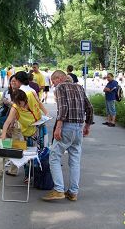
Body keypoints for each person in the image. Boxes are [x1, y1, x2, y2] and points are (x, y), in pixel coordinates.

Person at [42, 70, 93, 202]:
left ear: (59, 78)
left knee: (54, 156)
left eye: (53, 81)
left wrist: (58, 127)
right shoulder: (79, 87)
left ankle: (58, 189)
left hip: (66, 127)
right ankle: (73, 192)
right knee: (75, 160)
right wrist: (87, 125)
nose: (53, 85)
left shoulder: (61, 87)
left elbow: (63, 108)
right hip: (78, 128)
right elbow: (90, 107)